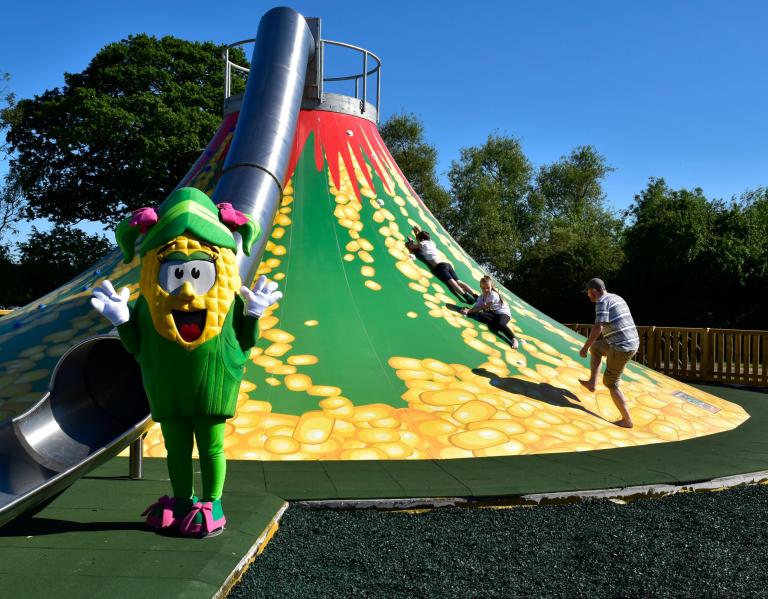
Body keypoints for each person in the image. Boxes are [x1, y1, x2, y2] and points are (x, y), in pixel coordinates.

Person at [578, 278, 639, 428]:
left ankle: (627, 419)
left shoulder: (602, 302)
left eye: (588, 293)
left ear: (593, 291)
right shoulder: (616, 297)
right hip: (627, 341)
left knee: (611, 382)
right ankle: (592, 383)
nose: (588, 296)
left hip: (621, 347)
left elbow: (598, 327)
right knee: (597, 348)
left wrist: (585, 347)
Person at [405, 226, 477, 304]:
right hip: (447, 264)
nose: (417, 240)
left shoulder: (422, 243)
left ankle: (466, 297)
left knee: (452, 283)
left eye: (418, 239)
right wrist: (418, 231)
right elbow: (422, 236)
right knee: (459, 281)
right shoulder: (431, 242)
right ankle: (475, 295)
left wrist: (411, 241)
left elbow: (411, 246)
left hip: (440, 267)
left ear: (421, 239)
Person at [460, 275, 519, 349]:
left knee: (500, 324)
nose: (486, 290)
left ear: (491, 286)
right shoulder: (481, 297)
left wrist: (468, 311)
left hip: (503, 314)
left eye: (488, 288)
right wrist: (467, 310)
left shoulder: (493, 295)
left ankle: (513, 339)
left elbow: (483, 307)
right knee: (480, 315)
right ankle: (495, 325)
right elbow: (476, 307)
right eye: (483, 288)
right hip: (493, 314)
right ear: (481, 287)